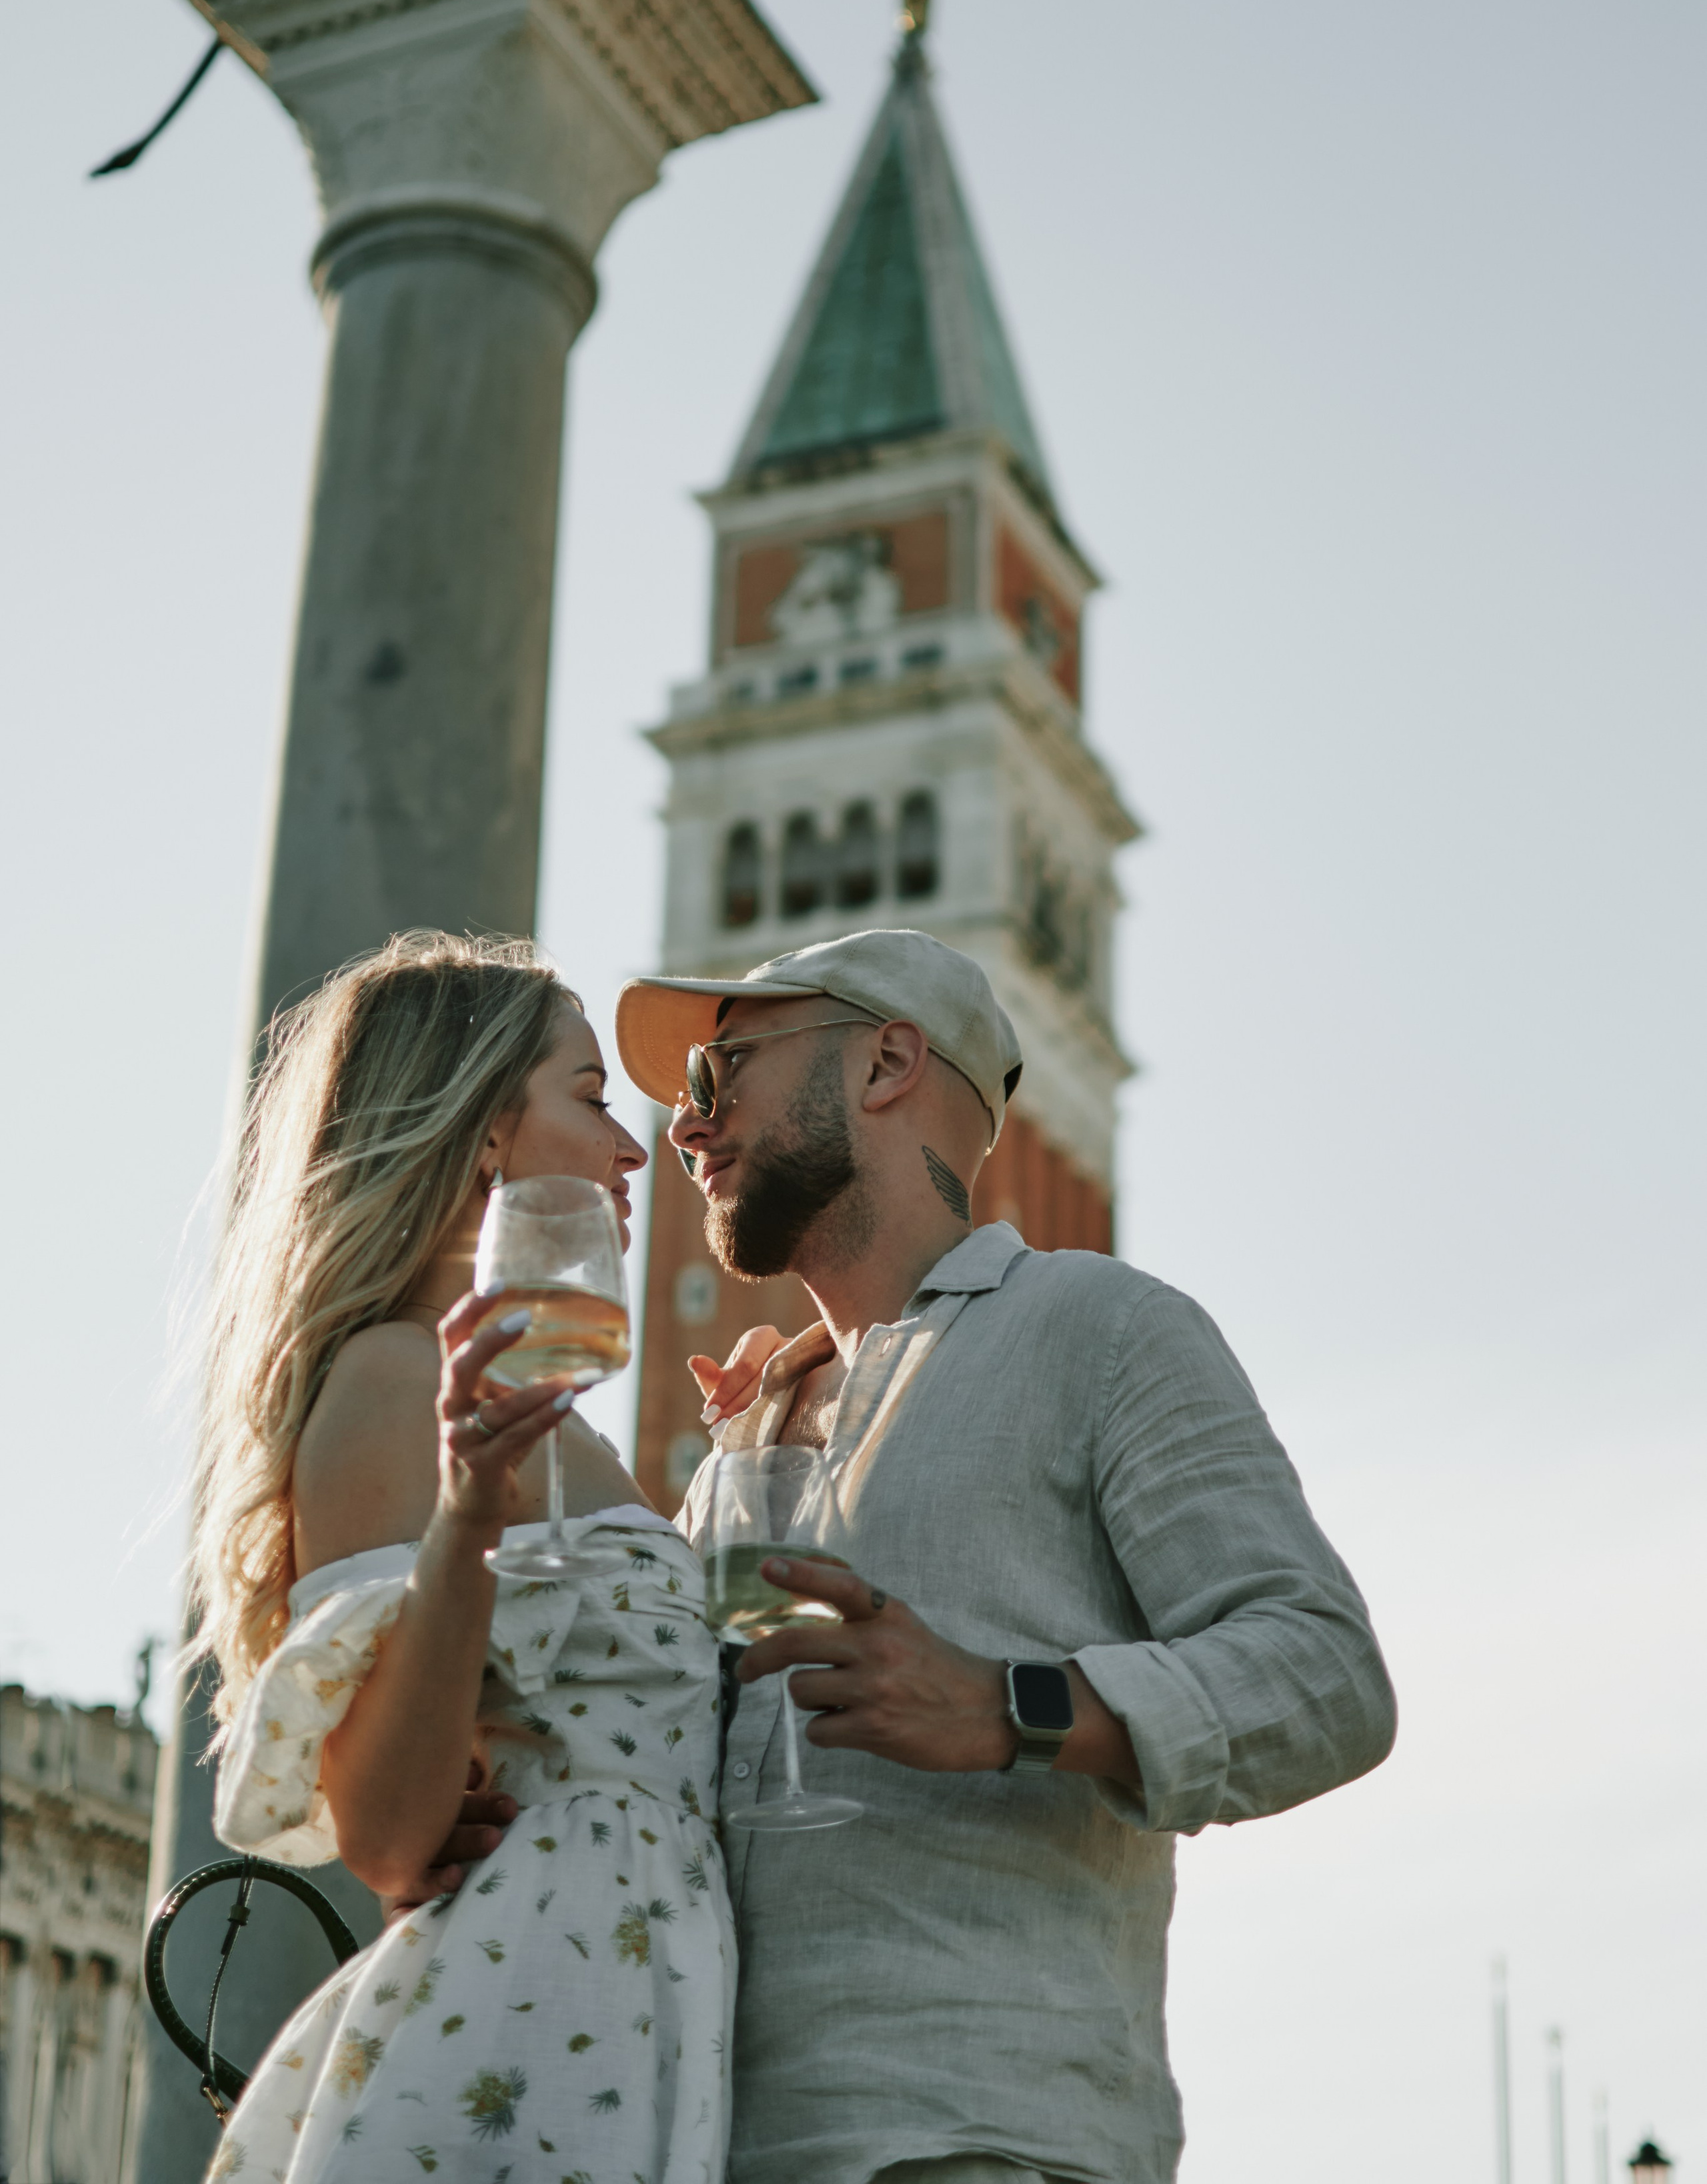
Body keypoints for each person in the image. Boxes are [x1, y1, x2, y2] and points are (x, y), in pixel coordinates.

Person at [609, 925, 1398, 2184]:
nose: (687, 1131)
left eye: (723, 1074)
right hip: (707, 2151)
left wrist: (1010, 1704)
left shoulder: (1104, 1330)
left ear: (885, 1065)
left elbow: (1326, 1677)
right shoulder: (734, 1452)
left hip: (981, 2140)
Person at [190, 930, 734, 2184]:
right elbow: (390, 1831)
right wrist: (471, 1506)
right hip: (525, 2028)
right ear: (486, 1132)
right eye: (591, 1098)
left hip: (631, 2009)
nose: (631, 1146)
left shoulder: (564, 1427)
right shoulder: (395, 1375)